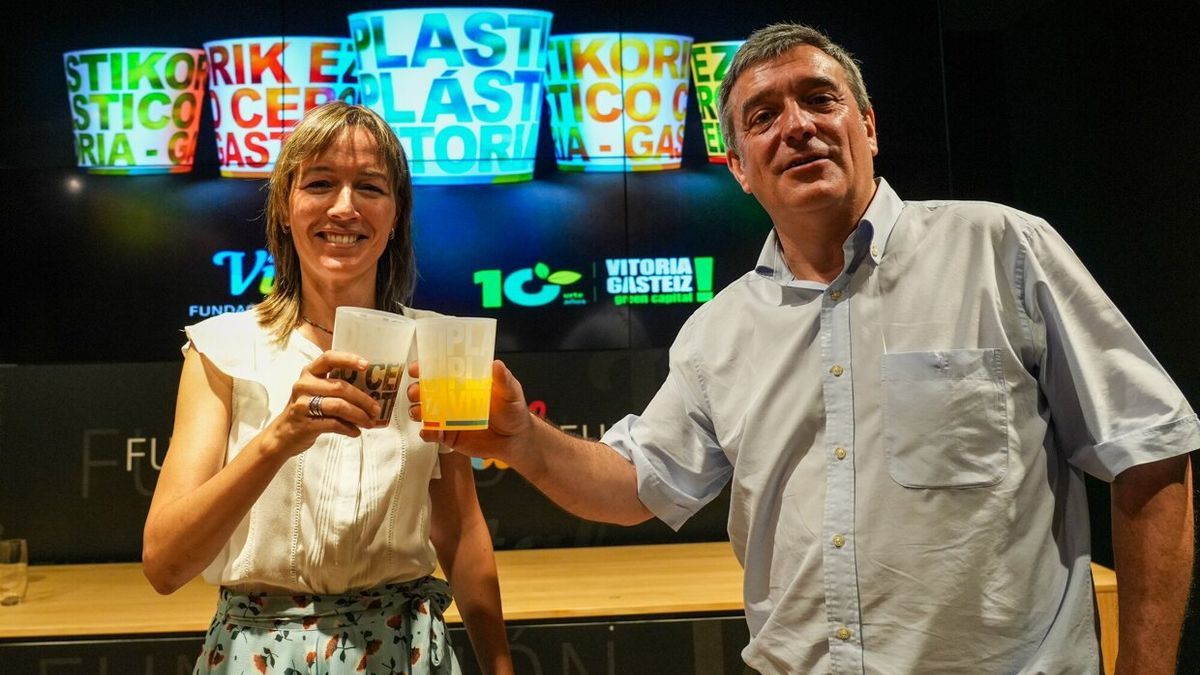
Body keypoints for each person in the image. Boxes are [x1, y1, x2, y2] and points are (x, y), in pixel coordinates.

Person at [406, 22, 1197, 675]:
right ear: (739, 168)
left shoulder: (1000, 248)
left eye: (821, 99)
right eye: (762, 116)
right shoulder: (720, 330)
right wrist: (520, 439)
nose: (798, 124)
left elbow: (1152, 450)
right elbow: (638, 482)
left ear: (869, 126)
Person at [144, 102, 512, 675]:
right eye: (320, 183)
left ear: (395, 216)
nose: (345, 207)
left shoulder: (436, 345)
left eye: (370, 186)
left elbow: (461, 530)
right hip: (257, 654)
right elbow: (164, 565)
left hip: (406, 652)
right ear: (286, 210)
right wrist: (280, 436)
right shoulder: (223, 349)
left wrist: (499, 666)